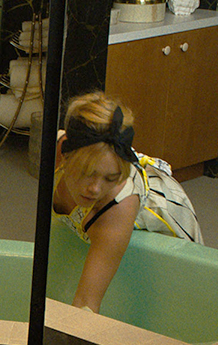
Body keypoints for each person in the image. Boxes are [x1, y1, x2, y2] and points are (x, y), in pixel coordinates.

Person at [51, 91, 202, 313]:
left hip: (163, 220)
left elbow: (86, 304)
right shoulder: (58, 146)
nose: (95, 188)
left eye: (110, 178)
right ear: (66, 156)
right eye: (86, 173)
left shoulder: (119, 205)